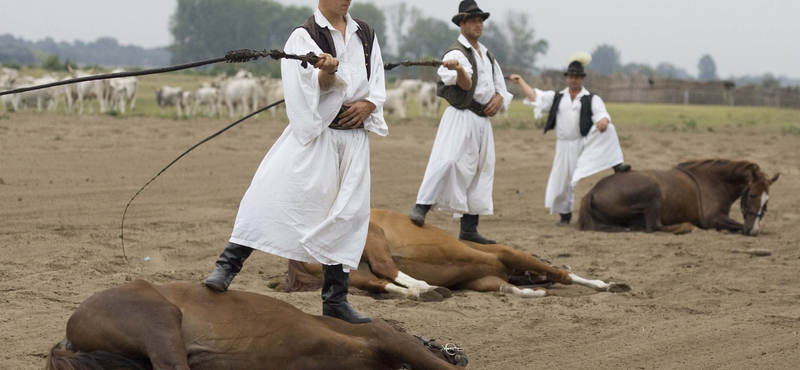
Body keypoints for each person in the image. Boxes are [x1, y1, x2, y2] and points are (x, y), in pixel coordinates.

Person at [204, 0, 387, 324]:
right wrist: (326, 74)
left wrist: (369, 105)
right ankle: (226, 267)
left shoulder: (365, 34)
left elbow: (378, 83)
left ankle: (335, 300)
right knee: (269, 194)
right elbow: (305, 92)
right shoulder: (304, 38)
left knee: (345, 214)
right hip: (317, 137)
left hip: (355, 141)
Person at [407, 0, 512, 245]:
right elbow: (465, 85)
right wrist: (459, 70)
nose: (478, 25)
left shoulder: (487, 54)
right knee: (448, 161)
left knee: (480, 169)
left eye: (480, 21)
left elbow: (501, 87)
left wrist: (497, 99)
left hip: (482, 121)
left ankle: (469, 228)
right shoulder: (455, 53)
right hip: (461, 116)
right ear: (462, 23)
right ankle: (422, 206)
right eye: (473, 21)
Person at [509, 52, 630, 226]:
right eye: (571, 76)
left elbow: (601, 114)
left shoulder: (591, 98)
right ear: (567, 78)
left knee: (609, 128)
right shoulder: (558, 97)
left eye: (577, 77)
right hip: (564, 145)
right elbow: (536, 97)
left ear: (582, 79)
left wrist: (603, 121)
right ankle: (564, 215)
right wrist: (520, 81)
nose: (574, 80)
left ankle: (616, 163)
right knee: (562, 181)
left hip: (584, 142)